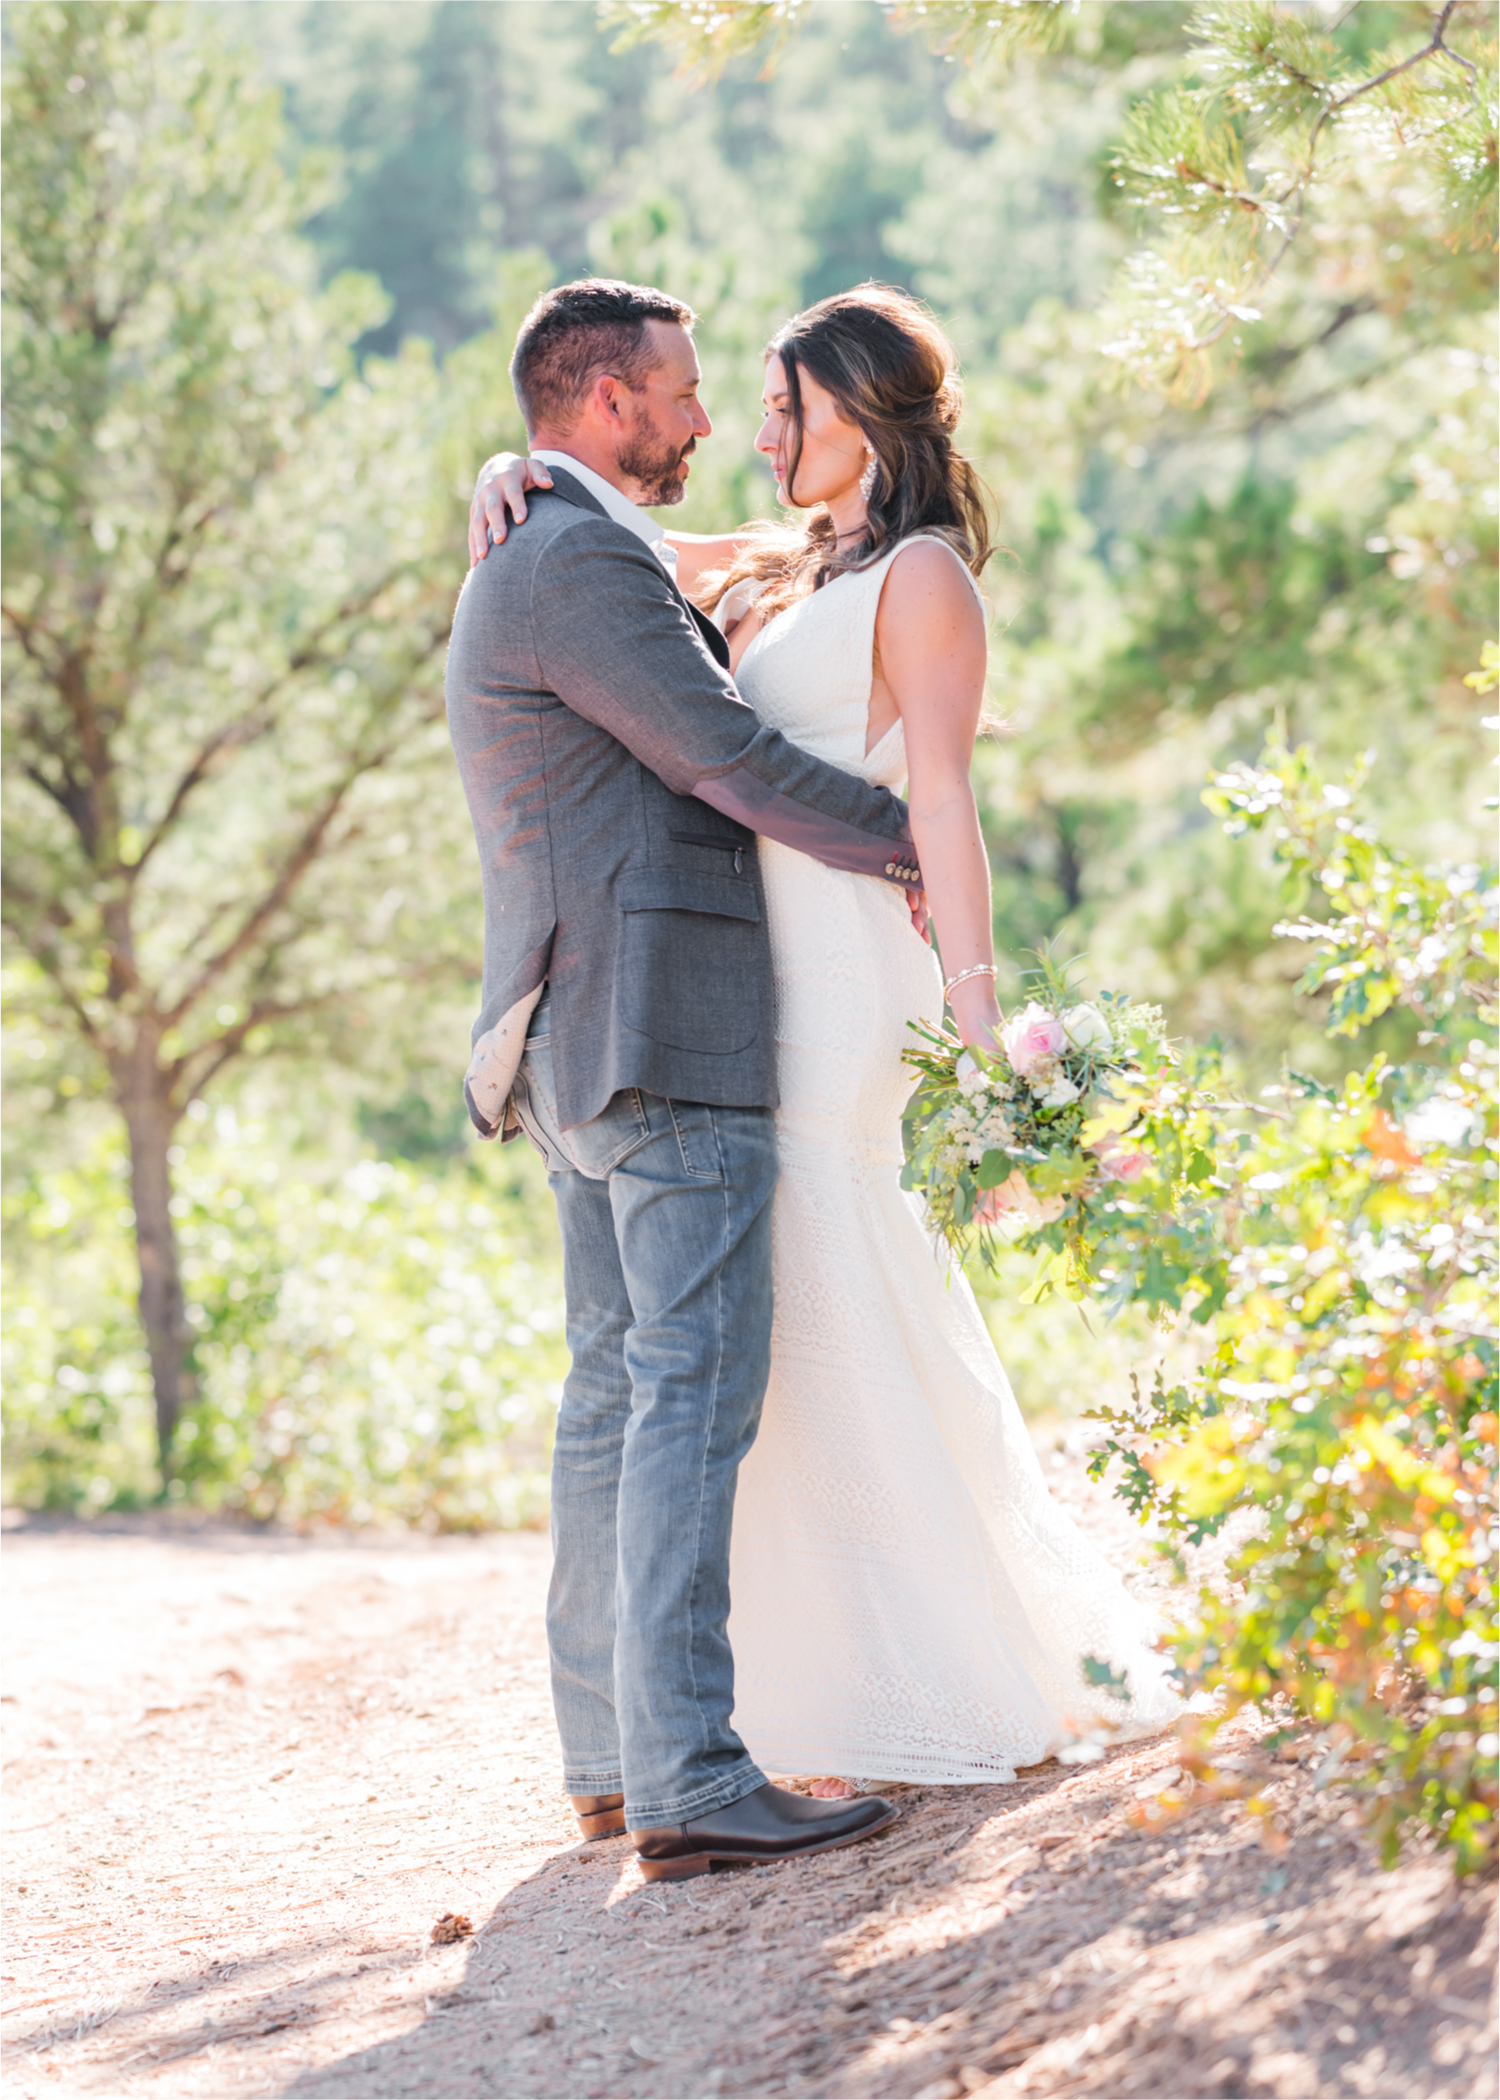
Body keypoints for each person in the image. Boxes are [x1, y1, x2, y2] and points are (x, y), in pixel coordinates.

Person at [469, 282, 1180, 1799]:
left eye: (786, 406)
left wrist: (978, 1017)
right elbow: (603, 541)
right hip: (737, 972)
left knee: (806, 1294)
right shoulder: (784, 564)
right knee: (744, 1345)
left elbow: (944, 801)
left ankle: (919, 1662)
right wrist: (504, 468)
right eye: (744, 404)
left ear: (859, 412)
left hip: (843, 966)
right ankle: (781, 1691)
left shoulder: (923, 577)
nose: (756, 431)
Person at [445, 279, 913, 1881]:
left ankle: (613, 1759)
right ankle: (691, 1775)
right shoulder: (573, 560)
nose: (709, 421)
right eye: (685, 391)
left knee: (615, 1399)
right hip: (656, 1032)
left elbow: (729, 585)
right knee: (688, 1399)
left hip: (583, 1038)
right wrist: (921, 845)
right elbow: (727, 760)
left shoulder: (553, 540)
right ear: (603, 401)